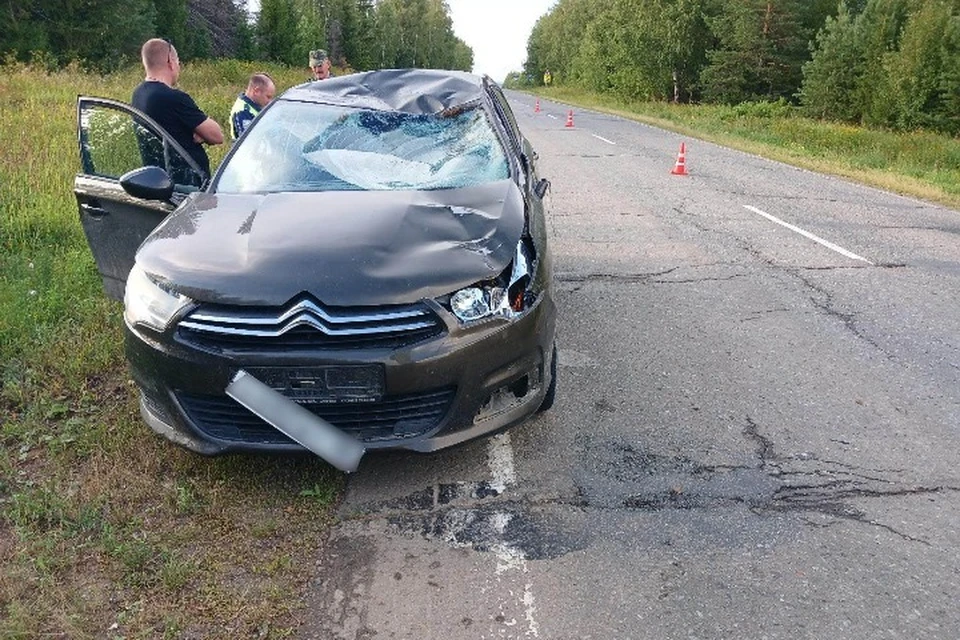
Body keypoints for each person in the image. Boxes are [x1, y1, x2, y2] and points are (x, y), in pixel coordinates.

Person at [132, 38, 223, 179]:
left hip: (156, 179)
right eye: (178, 61)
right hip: (185, 185)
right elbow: (217, 135)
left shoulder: (139, 94)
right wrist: (198, 132)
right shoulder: (172, 98)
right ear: (171, 61)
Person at [229, 73, 276, 140]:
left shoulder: (255, 106)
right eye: (268, 97)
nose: (270, 101)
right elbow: (248, 140)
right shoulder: (242, 111)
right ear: (256, 91)